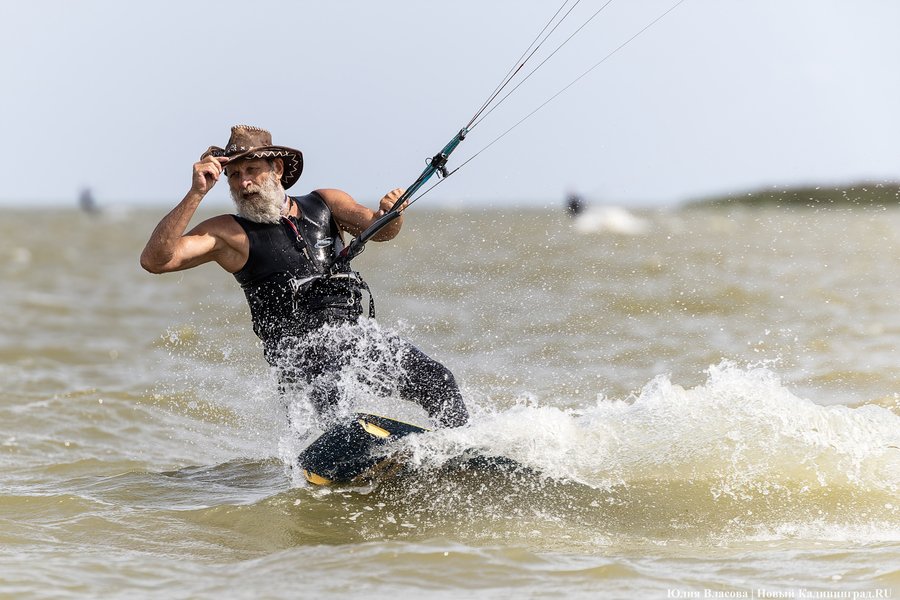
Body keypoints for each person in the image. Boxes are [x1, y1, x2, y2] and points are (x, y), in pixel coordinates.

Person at [140, 125, 468, 428]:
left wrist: (392, 212)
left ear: (277, 169)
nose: (243, 182)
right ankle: (341, 452)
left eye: (252, 170)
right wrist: (196, 193)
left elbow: (380, 230)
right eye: (234, 175)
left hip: (355, 338)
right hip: (300, 360)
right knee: (335, 400)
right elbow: (156, 260)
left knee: (439, 380)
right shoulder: (229, 233)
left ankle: (460, 451)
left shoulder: (325, 202)